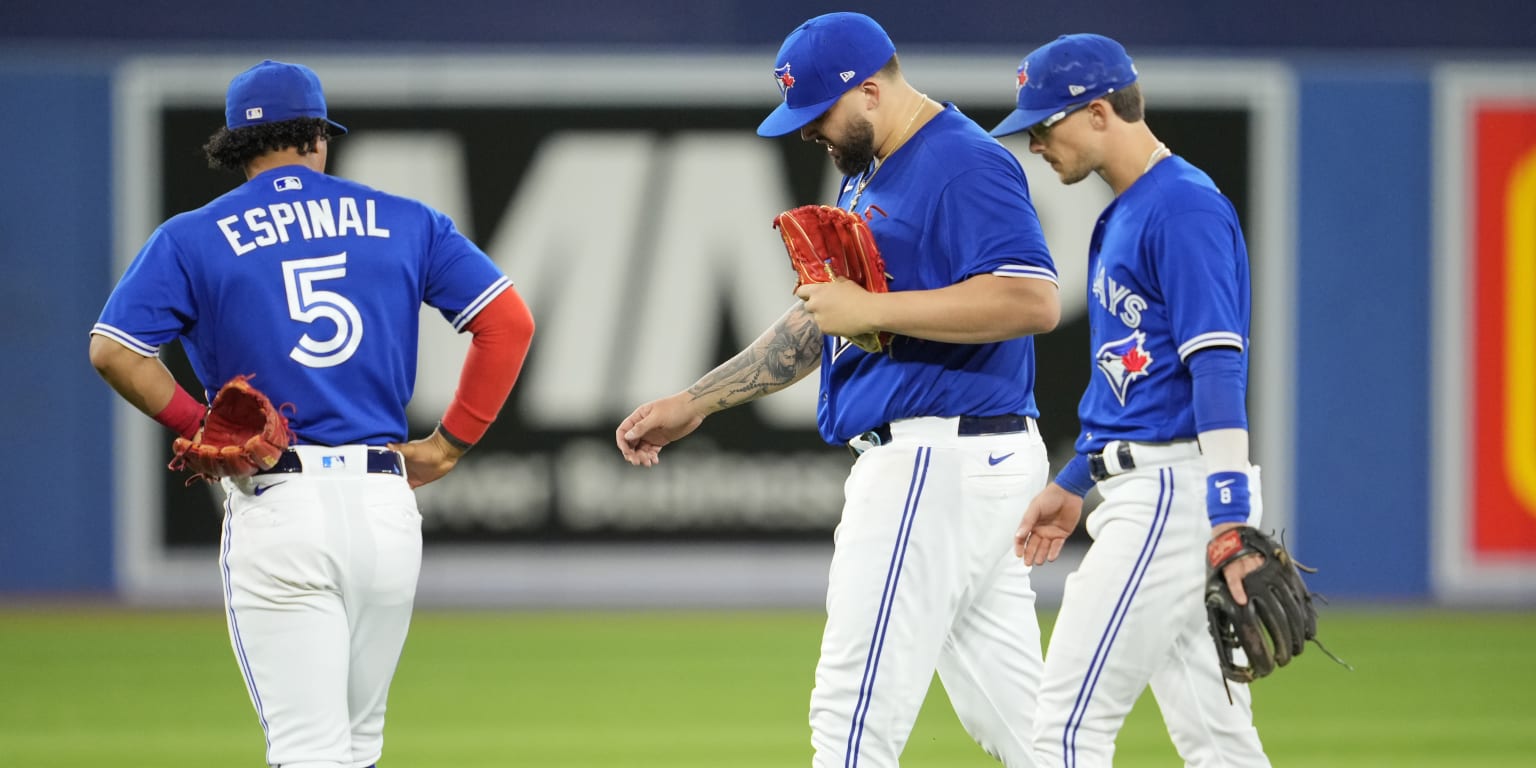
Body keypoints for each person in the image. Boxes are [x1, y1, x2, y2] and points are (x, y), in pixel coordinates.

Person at [616, 12, 1060, 767]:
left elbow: (1032, 300)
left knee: (852, 721)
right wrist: (695, 403)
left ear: (870, 91)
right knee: (1029, 731)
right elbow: (821, 322)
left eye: (817, 111)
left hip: (935, 461)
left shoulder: (961, 161)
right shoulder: (871, 173)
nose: (806, 131)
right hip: (960, 466)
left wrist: (874, 310)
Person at [88, 59, 535, 768]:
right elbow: (507, 323)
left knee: (305, 752)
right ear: (319, 138)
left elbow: (114, 352)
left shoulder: (192, 236)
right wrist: (450, 445)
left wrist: (198, 426)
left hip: (279, 501)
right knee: (357, 750)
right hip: (385, 507)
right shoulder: (406, 219)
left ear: (235, 147)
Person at [991, 34, 1271, 767]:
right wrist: (1073, 483)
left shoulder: (1181, 207)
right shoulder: (1132, 208)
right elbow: (1133, 382)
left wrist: (1230, 514)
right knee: (1219, 743)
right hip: (1146, 486)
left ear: (1095, 113)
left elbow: (1216, 366)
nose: (1035, 143)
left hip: (1174, 497)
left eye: (1043, 124)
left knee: (1065, 730)